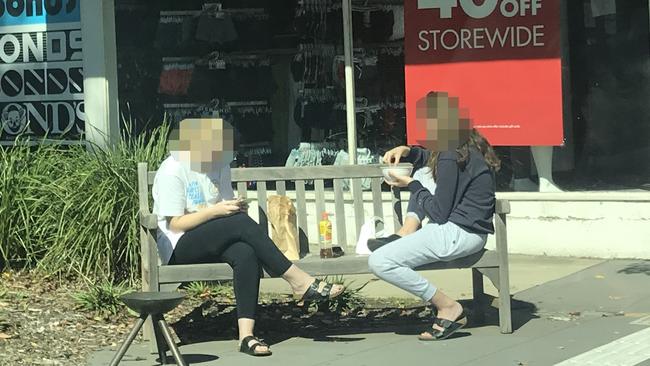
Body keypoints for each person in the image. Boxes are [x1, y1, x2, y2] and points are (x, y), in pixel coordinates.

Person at [152, 118, 345, 357]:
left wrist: (233, 207)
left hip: (214, 235)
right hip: (179, 245)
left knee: (246, 252)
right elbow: (176, 223)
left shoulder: (219, 165)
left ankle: (247, 336)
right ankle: (299, 280)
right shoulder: (173, 169)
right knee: (241, 224)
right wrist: (217, 211)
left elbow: (223, 207)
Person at [368, 91, 500, 341]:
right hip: (469, 231)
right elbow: (430, 160)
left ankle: (448, 306)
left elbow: (439, 213)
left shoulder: (451, 153)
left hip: (457, 233)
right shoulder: (466, 145)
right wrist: (408, 151)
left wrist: (411, 186)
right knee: (423, 174)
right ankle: (405, 234)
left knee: (380, 262)